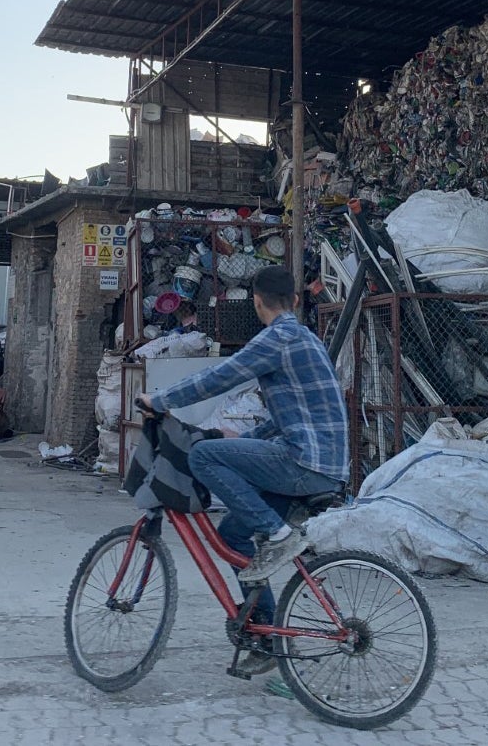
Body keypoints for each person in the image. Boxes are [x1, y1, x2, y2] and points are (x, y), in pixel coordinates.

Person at [136, 265, 348, 674]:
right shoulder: (306, 338)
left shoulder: (276, 339)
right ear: (297, 300)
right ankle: (266, 636)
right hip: (325, 463)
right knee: (233, 534)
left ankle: (279, 535)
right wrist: (229, 433)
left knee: (203, 457)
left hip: (305, 462)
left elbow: (220, 377)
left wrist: (160, 400)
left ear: (255, 301)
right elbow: (297, 415)